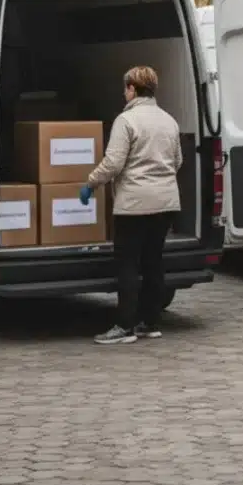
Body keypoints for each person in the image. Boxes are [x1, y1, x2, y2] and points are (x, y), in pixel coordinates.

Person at [81, 66, 183, 345]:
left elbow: (113, 164)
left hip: (134, 204)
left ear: (133, 90)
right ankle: (149, 323)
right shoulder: (169, 121)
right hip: (166, 202)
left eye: (125, 87)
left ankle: (124, 326)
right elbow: (177, 162)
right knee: (153, 261)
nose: (123, 92)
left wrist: (91, 184)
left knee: (127, 263)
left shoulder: (126, 121)